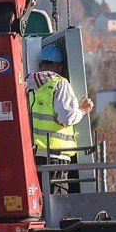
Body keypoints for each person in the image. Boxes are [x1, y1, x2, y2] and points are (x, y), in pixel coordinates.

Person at [27, 43, 93, 192]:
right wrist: (83, 110)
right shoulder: (60, 83)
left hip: (35, 155)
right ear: (59, 66)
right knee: (56, 199)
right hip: (55, 156)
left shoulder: (29, 84)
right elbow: (67, 117)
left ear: (41, 65)